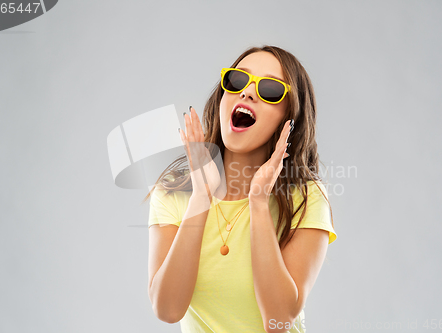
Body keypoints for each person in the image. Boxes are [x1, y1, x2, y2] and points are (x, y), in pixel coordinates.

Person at [144, 45, 337, 333]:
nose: (247, 93)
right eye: (237, 81)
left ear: (290, 119)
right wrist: (201, 197)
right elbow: (168, 309)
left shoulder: (307, 199)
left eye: (270, 90)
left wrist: (258, 203)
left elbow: (279, 321)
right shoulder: (173, 193)